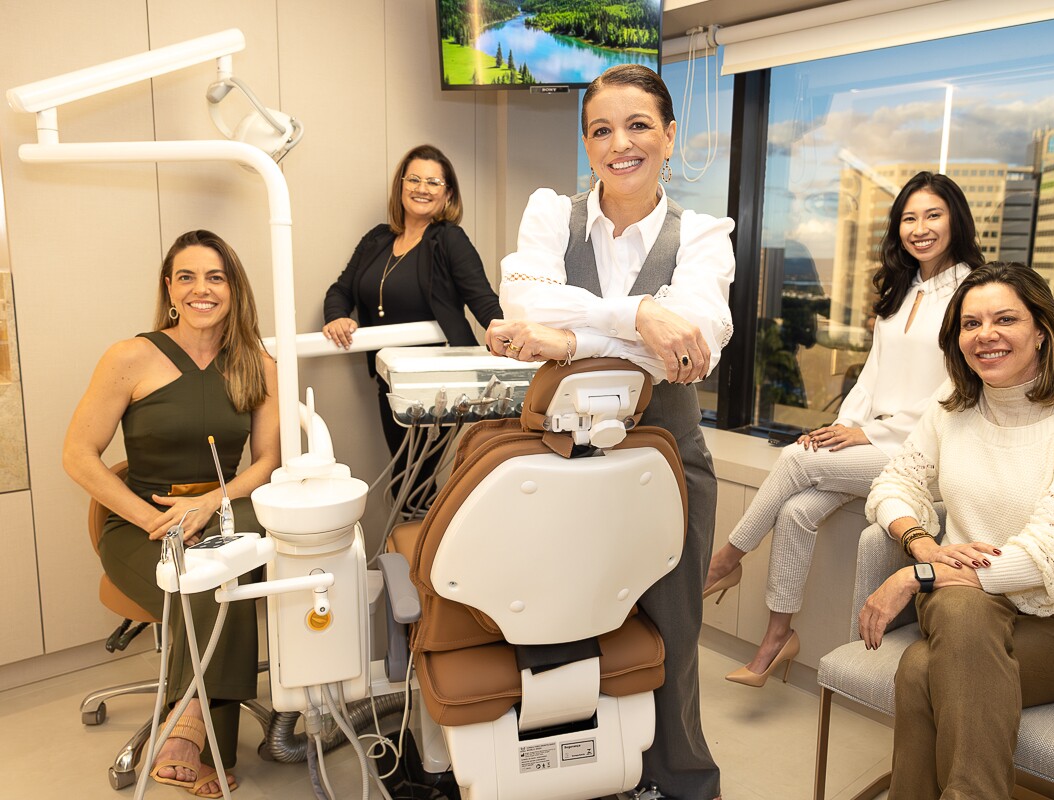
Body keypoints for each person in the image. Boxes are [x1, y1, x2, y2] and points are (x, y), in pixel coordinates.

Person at [485, 64, 734, 800]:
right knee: (559, 624)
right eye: (600, 129)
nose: (619, 143)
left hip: (669, 458)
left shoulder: (705, 235)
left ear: (668, 135)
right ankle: (576, 777)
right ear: (585, 143)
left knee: (674, 630)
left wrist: (570, 340)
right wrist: (637, 318)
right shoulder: (549, 215)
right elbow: (521, 299)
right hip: (559, 458)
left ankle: (679, 780)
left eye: (637, 126)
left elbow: (695, 348)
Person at [859, 262, 1054, 799]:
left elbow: (1049, 558)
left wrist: (919, 576)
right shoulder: (950, 409)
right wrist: (922, 542)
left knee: (919, 670)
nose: (985, 335)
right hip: (968, 601)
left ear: (1041, 330)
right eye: (969, 323)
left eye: (1005, 319)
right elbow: (892, 486)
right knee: (960, 609)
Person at [704, 172, 984, 687]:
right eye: (909, 218)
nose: (919, 228)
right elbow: (873, 373)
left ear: (956, 220)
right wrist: (847, 424)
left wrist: (871, 435)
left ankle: (726, 559)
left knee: (795, 458)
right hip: (878, 447)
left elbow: (956, 389)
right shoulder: (906, 289)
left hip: (925, 456)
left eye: (932, 215)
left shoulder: (971, 292)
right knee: (796, 510)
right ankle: (777, 638)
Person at [64, 230, 280, 797]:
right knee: (207, 580)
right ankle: (197, 732)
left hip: (224, 509)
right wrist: (151, 519)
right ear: (169, 287)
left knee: (226, 566)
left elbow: (267, 462)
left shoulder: (257, 363)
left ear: (233, 287)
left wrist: (212, 502)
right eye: (186, 276)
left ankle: (185, 724)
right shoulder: (131, 356)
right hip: (143, 523)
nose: (200, 289)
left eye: (215, 277)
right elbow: (77, 455)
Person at [322, 144, 502, 507]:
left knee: (415, 482)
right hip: (391, 380)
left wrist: (508, 335)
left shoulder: (449, 239)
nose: (423, 188)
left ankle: (424, 555)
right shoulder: (377, 239)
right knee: (405, 478)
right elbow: (340, 289)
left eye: (434, 181)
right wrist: (337, 316)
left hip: (439, 381)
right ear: (401, 186)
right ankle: (416, 552)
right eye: (415, 179)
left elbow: (481, 298)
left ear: (447, 193)